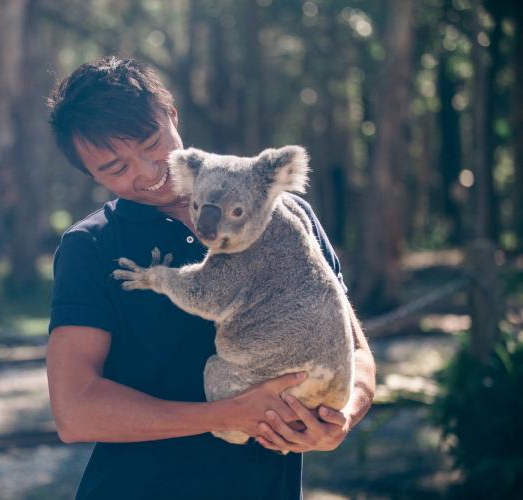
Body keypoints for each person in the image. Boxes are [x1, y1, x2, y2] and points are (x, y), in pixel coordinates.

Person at [46, 56, 375, 500]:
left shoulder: (284, 213)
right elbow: (75, 411)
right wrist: (224, 414)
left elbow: (354, 348)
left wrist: (342, 417)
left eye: (150, 143)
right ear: (90, 175)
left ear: (172, 116)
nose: (147, 171)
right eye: (116, 168)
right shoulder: (93, 246)